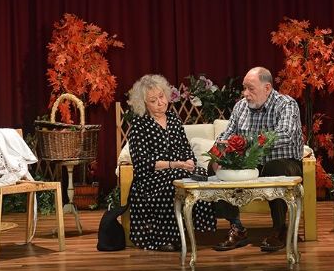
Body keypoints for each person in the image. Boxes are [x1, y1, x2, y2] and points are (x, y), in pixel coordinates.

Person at [212, 67, 304, 252]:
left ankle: (279, 230)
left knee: (273, 168)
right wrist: (219, 151)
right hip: (249, 163)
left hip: (284, 162)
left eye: (250, 89)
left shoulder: (286, 104)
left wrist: (246, 143)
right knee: (214, 165)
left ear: (267, 88)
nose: (245, 94)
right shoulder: (240, 107)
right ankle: (237, 228)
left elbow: (285, 134)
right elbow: (227, 134)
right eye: (244, 88)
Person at [127, 74, 216, 251]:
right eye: (153, 100)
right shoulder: (139, 125)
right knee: (174, 181)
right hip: (149, 179)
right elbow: (142, 162)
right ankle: (163, 238)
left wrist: (189, 160)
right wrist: (175, 165)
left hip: (179, 170)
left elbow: (185, 148)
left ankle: (192, 230)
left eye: (162, 96)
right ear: (144, 104)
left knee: (201, 175)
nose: (160, 102)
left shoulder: (174, 120)